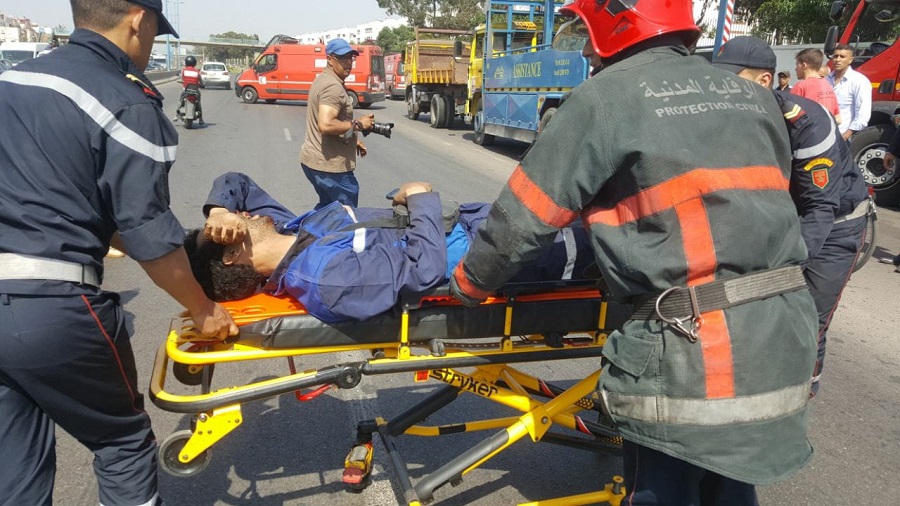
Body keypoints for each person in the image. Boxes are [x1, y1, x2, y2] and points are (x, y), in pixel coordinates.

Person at [450, 1, 818, 504]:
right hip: (781, 334)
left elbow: (522, 221)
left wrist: (468, 286)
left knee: (665, 490)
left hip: (692, 348)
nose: (585, 49)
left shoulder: (605, 98)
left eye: (587, 32)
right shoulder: (755, 97)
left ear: (617, 23)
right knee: (729, 485)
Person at [0, 1, 238, 505]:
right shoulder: (123, 102)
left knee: (14, 455)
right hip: (50, 305)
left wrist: (174, 246)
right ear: (139, 19)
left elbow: (64, 201)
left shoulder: (15, 81)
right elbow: (146, 230)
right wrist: (203, 307)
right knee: (122, 442)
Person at [184, 172, 594, 322]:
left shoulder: (294, 230)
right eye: (221, 229)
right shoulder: (325, 278)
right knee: (615, 237)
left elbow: (237, 181)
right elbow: (423, 271)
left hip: (491, 222)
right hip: (506, 254)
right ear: (232, 253)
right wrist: (418, 199)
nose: (242, 214)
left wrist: (218, 208)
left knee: (608, 206)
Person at [714, 36, 869, 398]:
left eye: (731, 81)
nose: (720, 90)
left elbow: (819, 210)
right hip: (783, 216)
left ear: (764, 81)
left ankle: (800, 395)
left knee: (806, 317)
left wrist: (780, 273)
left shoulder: (805, 124)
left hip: (835, 227)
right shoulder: (731, 118)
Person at [300, 38, 375, 210]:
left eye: (351, 58)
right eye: (342, 58)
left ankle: (303, 227)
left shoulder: (323, 79)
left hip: (314, 161)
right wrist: (358, 124)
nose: (348, 63)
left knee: (327, 209)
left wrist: (353, 139)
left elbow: (335, 122)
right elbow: (326, 125)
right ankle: (300, 226)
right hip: (330, 168)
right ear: (330, 59)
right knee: (345, 214)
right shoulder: (332, 87)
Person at [827, 44, 872, 141]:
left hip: (842, 136)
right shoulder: (826, 80)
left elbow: (862, 114)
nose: (838, 60)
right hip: (824, 135)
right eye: (835, 56)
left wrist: (845, 137)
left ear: (850, 60)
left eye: (842, 57)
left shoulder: (859, 81)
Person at [792, 48, 841, 123]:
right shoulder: (828, 85)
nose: (796, 69)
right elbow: (838, 119)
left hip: (809, 129)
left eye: (797, 64)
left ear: (804, 65)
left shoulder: (800, 87)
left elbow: (789, 116)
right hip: (827, 129)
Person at [177, 54, 203, 124]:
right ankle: (201, 119)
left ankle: (176, 115)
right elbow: (201, 81)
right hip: (195, 91)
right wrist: (202, 85)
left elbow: (181, 79)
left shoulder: (184, 70)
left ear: (186, 62)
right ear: (194, 63)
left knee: (180, 100)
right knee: (198, 103)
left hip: (185, 90)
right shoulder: (197, 71)